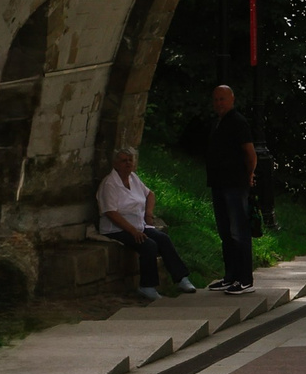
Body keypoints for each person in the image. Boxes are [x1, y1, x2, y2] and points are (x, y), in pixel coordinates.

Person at [96, 147, 195, 299]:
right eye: (123, 161)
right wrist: (132, 231)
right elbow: (111, 212)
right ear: (115, 164)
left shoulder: (133, 178)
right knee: (149, 245)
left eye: (130, 160)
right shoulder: (110, 184)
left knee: (163, 239)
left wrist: (148, 213)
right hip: (117, 228)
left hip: (138, 225)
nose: (128, 163)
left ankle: (181, 278)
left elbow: (150, 194)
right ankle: (147, 286)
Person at [205, 84, 258, 293]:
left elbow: (250, 153)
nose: (219, 103)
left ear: (232, 99)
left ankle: (245, 279)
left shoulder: (238, 122)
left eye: (222, 99)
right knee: (225, 232)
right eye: (216, 99)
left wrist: (249, 174)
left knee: (239, 232)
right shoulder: (217, 123)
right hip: (218, 183)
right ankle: (230, 275)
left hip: (235, 184)